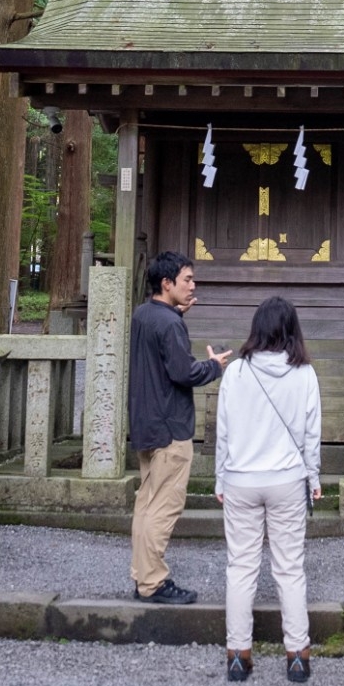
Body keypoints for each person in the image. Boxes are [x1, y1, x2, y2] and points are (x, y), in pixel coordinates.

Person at [215, 295, 323, 683]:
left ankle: (238, 654)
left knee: (241, 568)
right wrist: (314, 478)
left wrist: (219, 478)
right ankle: (297, 653)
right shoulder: (304, 374)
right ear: (292, 329)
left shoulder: (236, 373)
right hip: (287, 480)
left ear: (256, 329)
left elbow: (223, 432)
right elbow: (312, 435)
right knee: (289, 569)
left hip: (241, 478)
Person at [128, 250, 231, 605]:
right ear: (167, 283)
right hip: (170, 426)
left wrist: (175, 314)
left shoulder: (144, 315)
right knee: (165, 505)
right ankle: (153, 583)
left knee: (146, 503)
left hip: (146, 422)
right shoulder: (170, 324)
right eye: (187, 279)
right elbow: (183, 372)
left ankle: (144, 576)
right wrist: (214, 366)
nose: (193, 286)